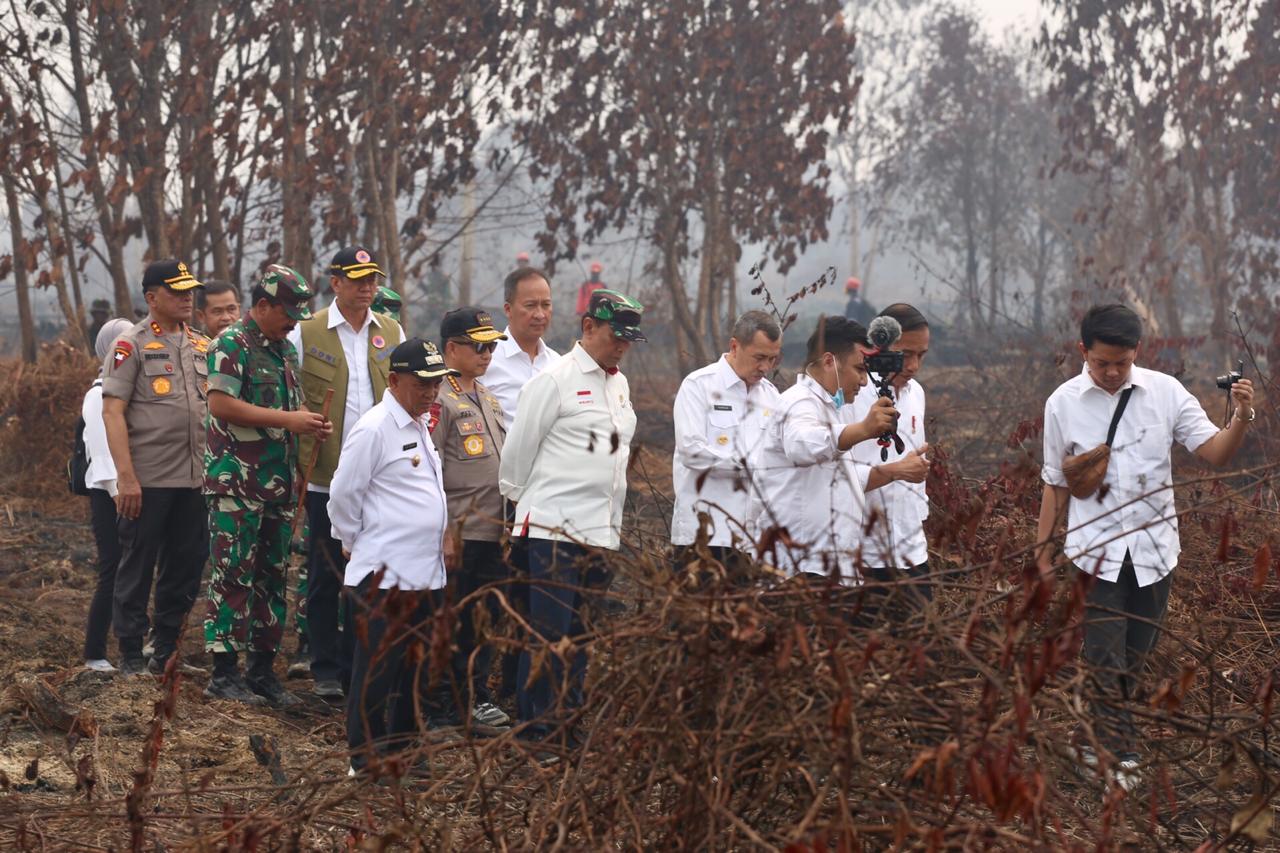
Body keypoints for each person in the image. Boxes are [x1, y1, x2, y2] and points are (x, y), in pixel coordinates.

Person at [1035, 304, 1255, 790]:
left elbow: (1215, 453)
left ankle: (1090, 736)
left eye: (1121, 362)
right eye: (1101, 363)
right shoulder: (1063, 403)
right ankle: (1122, 750)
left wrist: (1241, 416)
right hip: (1095, 553)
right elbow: (1054, 484)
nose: (1112, 372)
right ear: (1083, 352)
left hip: (1156, 552)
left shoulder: (1166, 393)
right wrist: (1043, 555)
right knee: (1105, 655)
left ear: (1138, 351)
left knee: (1135, 656)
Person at [498, 289, 645, 750]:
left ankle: (567, 723)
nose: (621, 346)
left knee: (581, 635)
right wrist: (528, 511)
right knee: (548, 635)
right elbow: (516, 457)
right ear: (587, 327)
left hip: (599, 530)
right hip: (552, 529)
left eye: (628, 339)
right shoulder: (555, 379)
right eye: (613, 336)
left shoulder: (617, 383)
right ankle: (536, 730)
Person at [328, 339, 458, 775]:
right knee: (378, 671)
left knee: (417, 670)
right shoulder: (374, 427)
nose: (431, 391)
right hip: (384, 575)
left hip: (425, 575)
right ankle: (363, 758)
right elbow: (343, 495)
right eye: (422, 383)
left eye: (436, 383)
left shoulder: (420, 423)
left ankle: (403, 750)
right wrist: (355, 539)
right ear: (395, 379)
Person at [203, 266, 331, 706]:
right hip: (236, 482)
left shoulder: (284, 352)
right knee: (233, 575)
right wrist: (288, 420)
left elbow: (290, 408)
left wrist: (309, 424)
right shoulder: (230, 345)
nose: (294, 321)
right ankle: (223, 674)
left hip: (277, 486)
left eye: (298, 312)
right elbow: (221, 404)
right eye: (287, 311)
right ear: (261, 306)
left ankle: (262, 672)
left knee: (273, 579)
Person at [288, 246, 404, 699]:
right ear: (335, 283)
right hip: (325, 473)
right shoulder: (308, 331)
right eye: (357, 279)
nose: (367, 287)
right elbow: (291, 394)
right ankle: (325, 669)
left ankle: (365, 662)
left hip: (380, 475)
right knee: (325, 573)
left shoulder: (390, 330)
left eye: (372, 278)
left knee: (373, 572)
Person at [100, 260, 211, 676]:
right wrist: (126, 477)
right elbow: (113, 412)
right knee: (137, 564)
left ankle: (165, 650)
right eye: (177, 291)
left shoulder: (203, 346)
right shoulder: (131, 344)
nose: (187, 298)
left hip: (194, 479)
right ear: (151, 298)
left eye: (190, 291)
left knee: (185, 567)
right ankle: (130, 652)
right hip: (148, 479)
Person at [754, 316, 898, 586]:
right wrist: (863, 430)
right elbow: (802, 444)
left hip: (827, 569)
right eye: (859, 369)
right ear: (830, 361)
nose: (865, 381)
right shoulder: (798, 403)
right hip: (801, 572)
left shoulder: (829, 408)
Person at [432, 307, 511, 728]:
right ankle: (446, 702)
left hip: (492, 529)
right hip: (459, 530)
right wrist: (442, 529)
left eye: (492, 345)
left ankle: (475, 694)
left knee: (483, 620)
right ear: (451, 348)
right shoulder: (438, 399)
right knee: (455, 619)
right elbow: (428, 470)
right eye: (478, 345)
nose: (487, 353)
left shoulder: (489, 397)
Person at [670, 310, 783, 571]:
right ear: (735, 346)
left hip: (751, 538)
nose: (765, 367)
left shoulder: (771, 397)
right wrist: (751, 465)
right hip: (703, 536)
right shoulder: (699, 386)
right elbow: (692, 452)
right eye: (759, 358)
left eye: (772, 359)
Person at [848, 303, 933, 612]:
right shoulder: (852, 395)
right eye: (906, 354)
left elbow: (915, 468)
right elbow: (835, 476)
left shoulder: (916, 394)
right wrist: (896, 471)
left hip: (912, 552)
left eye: (921, 355)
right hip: (864, 554)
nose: (913, 366)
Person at [80, 317, 135, 672]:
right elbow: (101, 454)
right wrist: (120, 493)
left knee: (134, 571)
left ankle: (133, 643)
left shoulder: (129, 391)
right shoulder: (99, 393)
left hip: (129, 492)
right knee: (112, 570)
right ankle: (94, 652)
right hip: (109, 495)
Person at [484, 267, 560, 430]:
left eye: (546, 305)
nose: (540, 314)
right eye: (530, 305)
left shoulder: (558, 364)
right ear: (508, 309)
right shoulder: (487, 361)